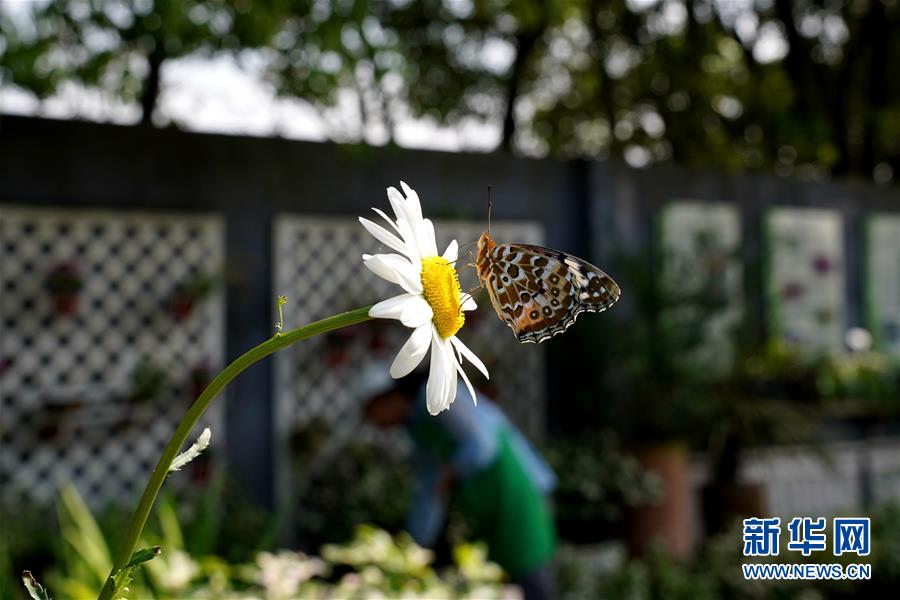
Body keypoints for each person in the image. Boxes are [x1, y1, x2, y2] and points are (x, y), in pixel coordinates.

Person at [360, 365, 558, 600]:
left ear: (389, 398)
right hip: (485, 507)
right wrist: (415, 546)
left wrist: (450, 473)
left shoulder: (434, 394)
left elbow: (482, 445)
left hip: (512, 492)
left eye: (372, 412)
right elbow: (429, 489)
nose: (375, 423)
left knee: (529, 577)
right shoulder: (417, 425)